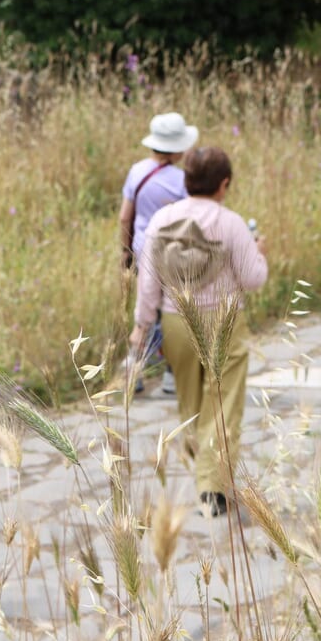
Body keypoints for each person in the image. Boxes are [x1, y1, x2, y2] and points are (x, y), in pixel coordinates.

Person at [131, 147, 268, 517]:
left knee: (190, 405)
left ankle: (204, 477)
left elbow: (148, 282)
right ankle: (214, 486)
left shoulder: (161, 221)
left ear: (186, 180)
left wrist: (142, 325)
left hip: (176, 321)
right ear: (224, 184)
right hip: (224, 321)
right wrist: (259, 252)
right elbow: (253, 279)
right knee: (223, 405)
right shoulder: (232, 223)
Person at [119, 112, 198, 395]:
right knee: (174, 313)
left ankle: (133, 369)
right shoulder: (182, 180)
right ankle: (171, 373)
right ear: (178, 148)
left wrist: (125, 254)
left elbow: (125, 217)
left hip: (142, 251)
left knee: (145, 312)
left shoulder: (136, 171)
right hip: (173, 256)